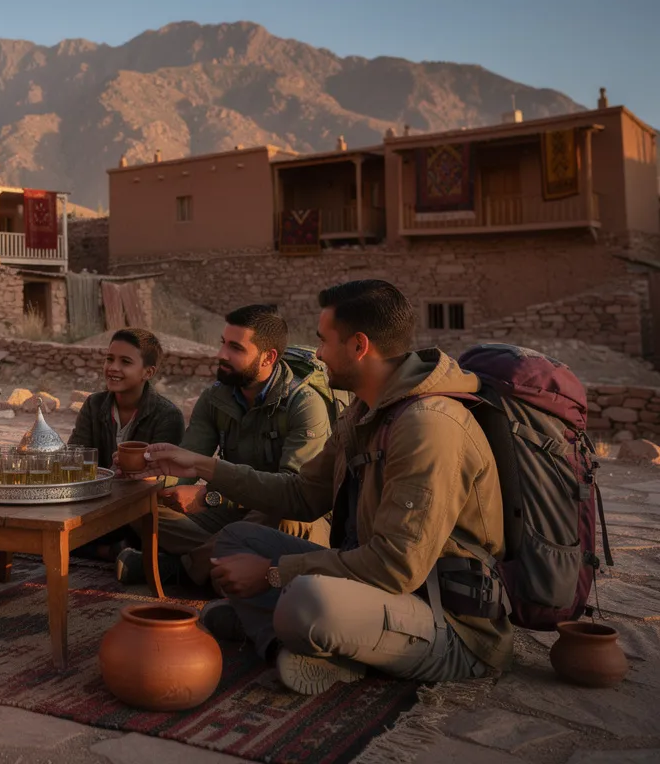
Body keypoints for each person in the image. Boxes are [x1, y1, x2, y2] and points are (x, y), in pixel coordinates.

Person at [135, 280, 510, 696]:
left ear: (359, 346)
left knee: (307, 600)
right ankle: (288, 642)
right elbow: (301, 494)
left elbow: (395, 567)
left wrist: (274, 573)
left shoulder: (427, 426)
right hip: (373, 587)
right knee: (236, 540)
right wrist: (204, 466)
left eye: (324, 341)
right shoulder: (366, 410)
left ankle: (286, 627)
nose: (317, 354)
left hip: (447, 620)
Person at [117, 305, 332, 585]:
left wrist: (211, 496)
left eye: (235, 348)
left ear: (268, 357)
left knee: (284, 517)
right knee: (143, 505)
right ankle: (223, 565)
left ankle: (182, 569)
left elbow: (293, 495)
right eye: (223, 343)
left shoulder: (304, 405)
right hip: (230, 513)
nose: (221, 354)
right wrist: (150, 474)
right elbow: (187, 464)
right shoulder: (215, 398)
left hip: (283, 514)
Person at [68, 328, 184, 560]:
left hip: (138, 509)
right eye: (109, 359)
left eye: (125, 362)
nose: (113, 367)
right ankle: (111, 551)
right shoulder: (94, 405)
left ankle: (114, 549)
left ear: (148, 372)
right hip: (96, 502)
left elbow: (161, 478)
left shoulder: (168, 416)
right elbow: (75, 457)